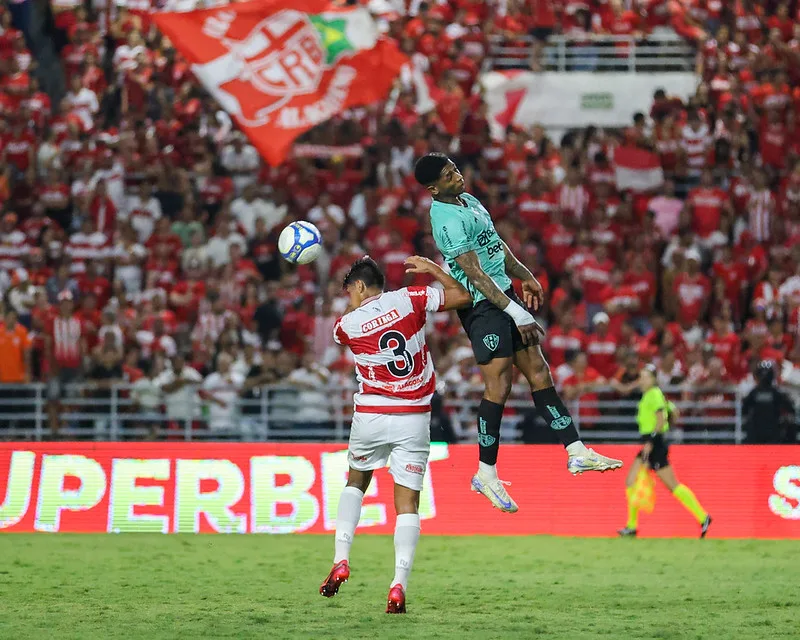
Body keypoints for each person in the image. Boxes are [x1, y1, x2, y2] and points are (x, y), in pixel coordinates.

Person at [414, 153, 622, 512]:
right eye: (450, 175)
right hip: (481, 305)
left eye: (457, 168)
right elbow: (475, 275)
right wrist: (517, 313)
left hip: (504, 294)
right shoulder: (445, 220)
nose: (459, 176)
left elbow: (498, 246)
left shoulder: (469, 200)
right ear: (434, 188)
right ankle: (486, 473)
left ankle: (575, 451)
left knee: (540, 371)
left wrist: (524, 274)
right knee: (500, 386)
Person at [320, 255, 471, 614]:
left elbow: (343, 336)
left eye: (349, 292)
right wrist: (434, 271)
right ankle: (398, 585)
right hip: (414, 418)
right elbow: (462, 296)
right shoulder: (411, 298)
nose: (349, 299)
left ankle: (341, 558)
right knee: (407, 505)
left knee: (356, 482)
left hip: (371, 415)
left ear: (358, 286)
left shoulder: (347, 324)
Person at [619, 364, 712, 538]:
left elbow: (661, 418)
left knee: (669, 485)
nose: (642, 380)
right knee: (633, 481)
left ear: (653, 379)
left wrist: (651, 441)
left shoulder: (653, 394)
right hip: (654, 442)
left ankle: (703, 516)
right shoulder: (655, 395)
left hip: (653, 443)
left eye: (646, 377)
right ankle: (631, 526)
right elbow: (673, 412)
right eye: (641, 376)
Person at [742, 360, 796, 444]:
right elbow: (745, 409)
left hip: (771, 429)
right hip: (759, 430)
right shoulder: (757, 393)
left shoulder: (773, 393)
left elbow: (744, 409)